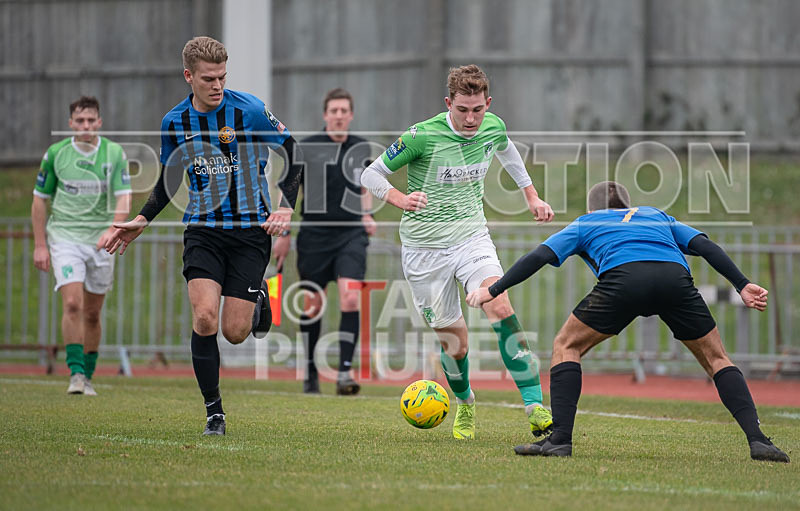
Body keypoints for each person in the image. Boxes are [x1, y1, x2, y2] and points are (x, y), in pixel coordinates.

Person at [466, 181, 790, 463]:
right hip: (674, 280)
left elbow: (539, 256)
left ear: (593, 209)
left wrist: (493, 290)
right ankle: (758, 440)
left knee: (566, 345)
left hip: (624, 280)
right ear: (628, 204)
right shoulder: (656, 215)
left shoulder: (587, 222)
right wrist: (742, 283)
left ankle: (559, 440)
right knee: (717, 358)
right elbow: (704, 246)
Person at [105, 36, 302, 436]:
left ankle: (263, 295)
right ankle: (214, 412)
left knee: (235, 332)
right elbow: (169, 177)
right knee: (205, 316)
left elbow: (294, 153)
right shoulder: (174, 122)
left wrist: (285, 206)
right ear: (188, 76)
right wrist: (143, 219)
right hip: (203, 231)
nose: (217, 86)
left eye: (222, 78)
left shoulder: (249, 110)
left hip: (250, 232)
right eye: (209, 79)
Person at [361, 65, 555, 440]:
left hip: (471, 238)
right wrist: (400, 198)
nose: (470, 118)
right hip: (423, 249)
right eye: (462, 109)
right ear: (448, 103)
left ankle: (535, 408)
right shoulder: (421, 135)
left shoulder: (493, 126)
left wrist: (531, 195)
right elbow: (371, 174)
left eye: (477, 110)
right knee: (456, 343)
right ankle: (465, 402)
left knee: (500, 305)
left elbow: (507, 150)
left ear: (488, 104)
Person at [273, 88, 376, 395]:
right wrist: (284, 233)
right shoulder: (307, 148)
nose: (339, 115)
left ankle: (344, 373)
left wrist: (367, 215)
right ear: (325, 115)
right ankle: (310, 372)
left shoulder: (360, 148)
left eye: (345, 110)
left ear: (351, 115)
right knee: (313, 305)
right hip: (314, 236)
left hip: (351, 234)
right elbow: (289, 191)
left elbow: (366, 186)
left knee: (350, 297)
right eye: (334, 110)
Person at [31, 96, 131, 396]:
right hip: (65, 237)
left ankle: (88, 374)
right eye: (80, 120)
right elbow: (39, 199)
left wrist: (113, 228)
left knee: (92, 313)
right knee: (73, 304)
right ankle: (75, 374)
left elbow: (124, 196)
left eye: (91, 120)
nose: (86, 125)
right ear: (70, 123)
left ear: (99, 122)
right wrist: (40, 245)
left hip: (101, 241)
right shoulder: (56, 154)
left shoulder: (114, 153)